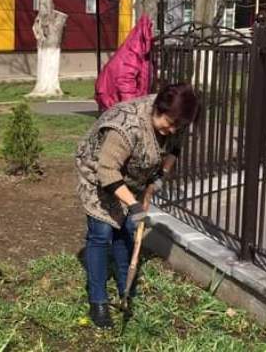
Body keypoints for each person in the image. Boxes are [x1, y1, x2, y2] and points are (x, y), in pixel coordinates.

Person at [75, 83, 199, 329]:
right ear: (159, 108)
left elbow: (174, 149)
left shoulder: (177, 120)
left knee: (125, 230)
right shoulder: (126, 126)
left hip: (133, 173)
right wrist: (133, 205)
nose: (172, 129)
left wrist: (158, 179)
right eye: (169, 123)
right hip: (98, 172)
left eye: (178, 126)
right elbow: (107, 171)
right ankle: (97, 301)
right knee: (101, 233)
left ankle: (126, 288)